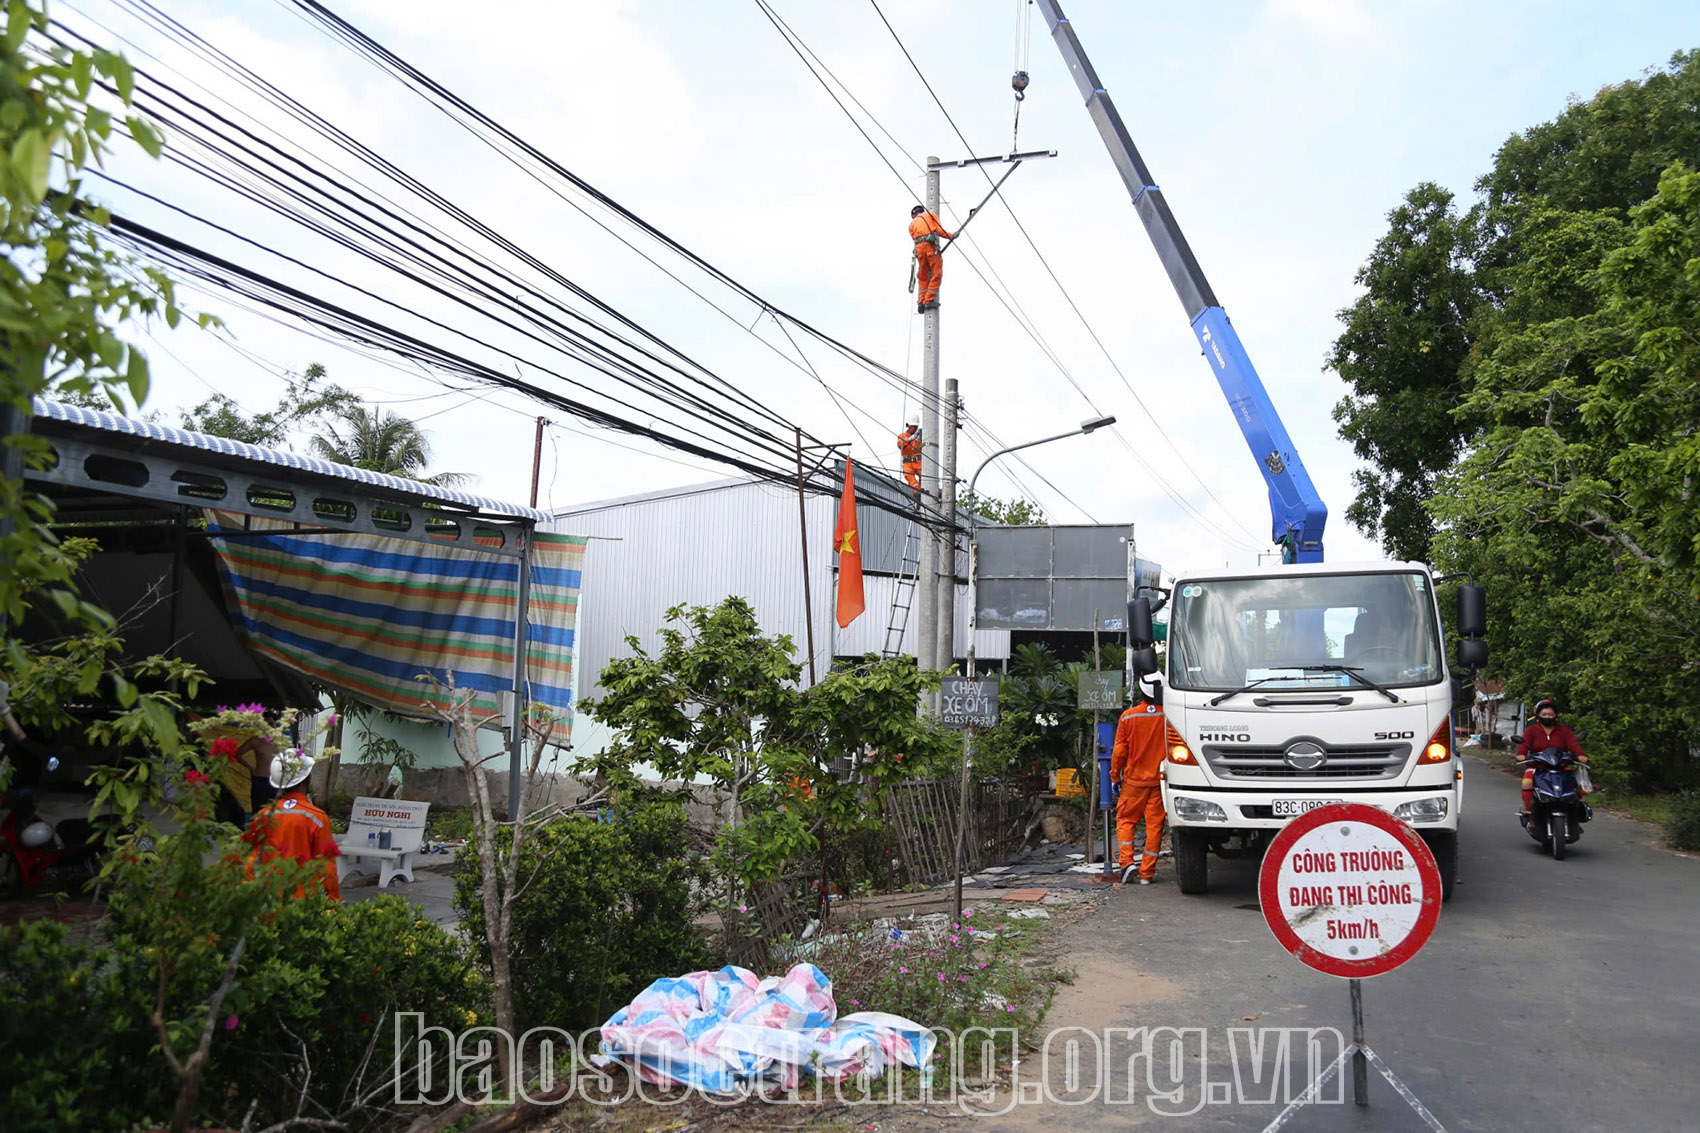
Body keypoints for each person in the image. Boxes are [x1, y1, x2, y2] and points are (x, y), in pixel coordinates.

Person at [243, 750, 341, 901]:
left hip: (267, 901)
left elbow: (250, 861)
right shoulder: (317, 818)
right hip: (302, 903)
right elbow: (326, 867)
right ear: (307, 779)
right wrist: (333, 902)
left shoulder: (263, 815)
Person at [1110, 689, 1167, 885]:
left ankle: (1127, 864)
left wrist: (1114, 776)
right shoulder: (1168, 715)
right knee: (1155, 825)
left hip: (1134, 782)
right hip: (1159, 781)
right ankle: (1147, 874)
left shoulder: (1128, 717)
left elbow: (1119, 751)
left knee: (1125, 819)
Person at [1516, 698, 1587, 816]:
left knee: (1576, 784)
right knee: (1527, 782)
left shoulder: (1564, 731)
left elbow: (1573, 743)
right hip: (1537, 767)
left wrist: (1580, 755)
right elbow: (1524, 744)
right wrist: (1521, 755)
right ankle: (1529, 811)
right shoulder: (1531, 730)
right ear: (1538, 716)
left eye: (1550, 714)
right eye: (1544, 714)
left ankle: (1575, 816)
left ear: (1555, 716)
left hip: (1561, 767)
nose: (1547, 717)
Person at [908, 204, 954, 312]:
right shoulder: (930, 215)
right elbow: (939, 230)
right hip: (930, 248)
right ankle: (928, 300)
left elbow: (915, 238)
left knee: (923, 276)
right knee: (936, 273)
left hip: (919, 250)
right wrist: (951, 236)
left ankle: (921, 301)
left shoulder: (911, 224)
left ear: (914, 214)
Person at [898, 413, 922, 493]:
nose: (915, 428)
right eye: (913, 426)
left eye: (916, 426)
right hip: (907, 463)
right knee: (911, 479)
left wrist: (921, 437)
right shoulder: (902, 436)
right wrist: (909, 439)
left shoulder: (920, 436)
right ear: (908, 425)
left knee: (926, 477)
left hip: (918, 462)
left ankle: (933, 490)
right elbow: (900, 444)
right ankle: (917, 492)